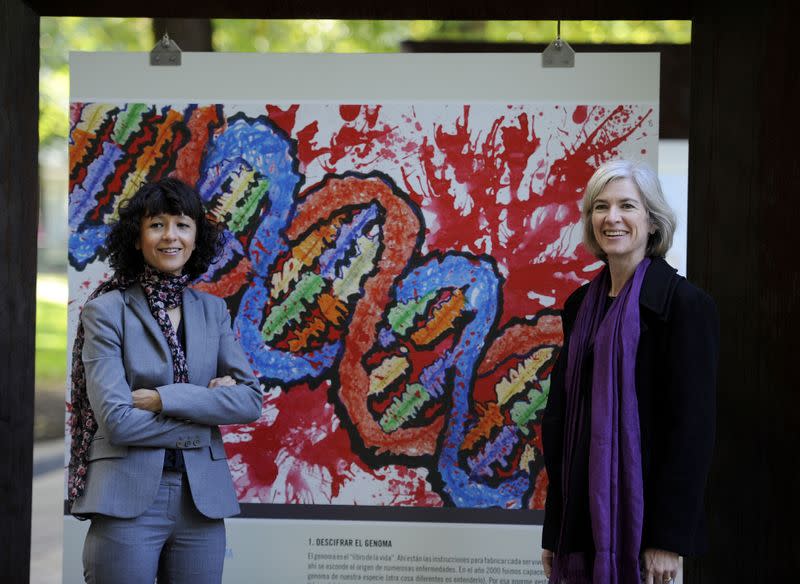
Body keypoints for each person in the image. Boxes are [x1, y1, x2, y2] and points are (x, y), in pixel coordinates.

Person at [67, 178, 263, 584]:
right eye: (157, 224)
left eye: (182, 224)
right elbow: (118, 421)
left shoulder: (213, 311)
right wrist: (205, 415)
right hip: (126, 499)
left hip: (201, 504)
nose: (170, 236)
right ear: (137, 239)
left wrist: (162, 399)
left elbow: (249, 402)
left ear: (195, 238)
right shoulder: (106, 311)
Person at [540, 160, 719, 584]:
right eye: (600, 207)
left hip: (645, 526)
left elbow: (691, 432)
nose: (612, 218)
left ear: (652, 222)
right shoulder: (581, 305)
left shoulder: (685, 306)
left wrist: (668, 539)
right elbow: (563, 422)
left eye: (627, 206)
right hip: (580, 520)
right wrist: (555, 530)